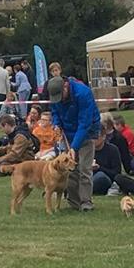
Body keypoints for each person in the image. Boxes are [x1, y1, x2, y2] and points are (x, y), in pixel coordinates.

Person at [48, 69, 101, 212]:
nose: (59, 99)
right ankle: (73, 201)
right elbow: (55, 111)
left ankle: (86, 203)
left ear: (65, 86)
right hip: (68, 133)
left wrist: (74, 147)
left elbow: (85, 122)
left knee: (84, 168)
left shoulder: (83, 93)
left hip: (87, 132)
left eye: (61, 95)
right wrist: (56, 124)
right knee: (69, 169)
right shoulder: (56, 94)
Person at [90, 129, 134, 197]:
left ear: (103, 137)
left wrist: (99, 168)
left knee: (100, 176)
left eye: (96, 136)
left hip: (106, 179)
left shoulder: (112, 150)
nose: (93, 139)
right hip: (88, 177)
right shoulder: (87, 150)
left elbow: (116, 173)